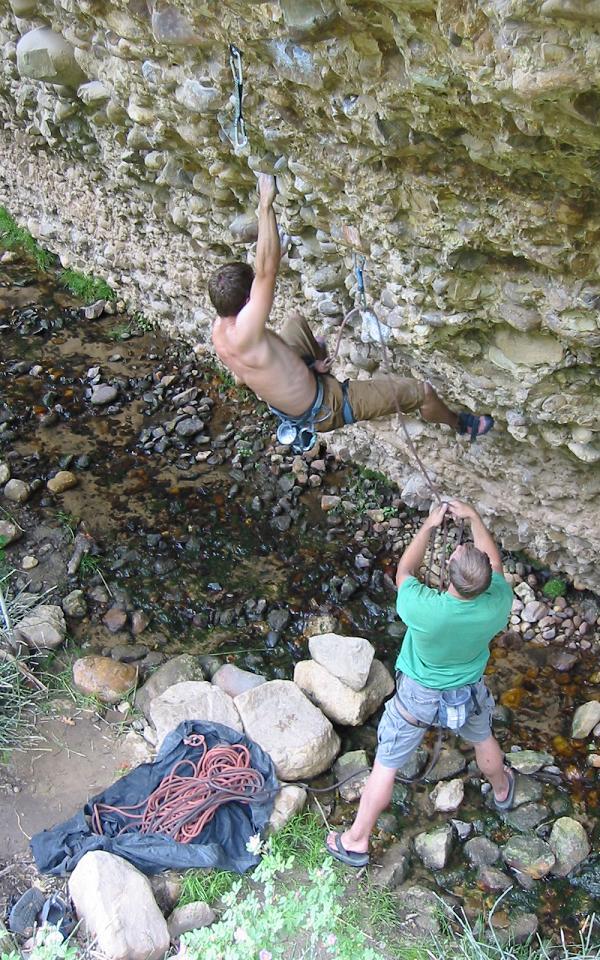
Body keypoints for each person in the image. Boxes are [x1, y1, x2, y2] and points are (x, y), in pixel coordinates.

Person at [206, 174, 494, 453]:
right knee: (423, 392)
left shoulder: (220, 332)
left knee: (296, 323)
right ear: (248, 301)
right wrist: (265, 203)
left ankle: (313, 365)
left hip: (290, 400)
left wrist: (302, 369)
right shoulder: (246, 333)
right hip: (326, 406)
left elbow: (243, 378)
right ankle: (460, 424)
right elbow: (266, 271)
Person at [325, 498, 514, 867]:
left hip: (418, 697)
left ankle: (357, 840)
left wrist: (428, 525)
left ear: (450, 576)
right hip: (467, 691)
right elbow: (495, 564)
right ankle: (503, 789)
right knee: (482, 737)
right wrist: (475, 517)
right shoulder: (497, 602)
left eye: (460, 551)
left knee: (386, 764)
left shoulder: (424, 608)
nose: (461, 545)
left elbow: (405, 570)